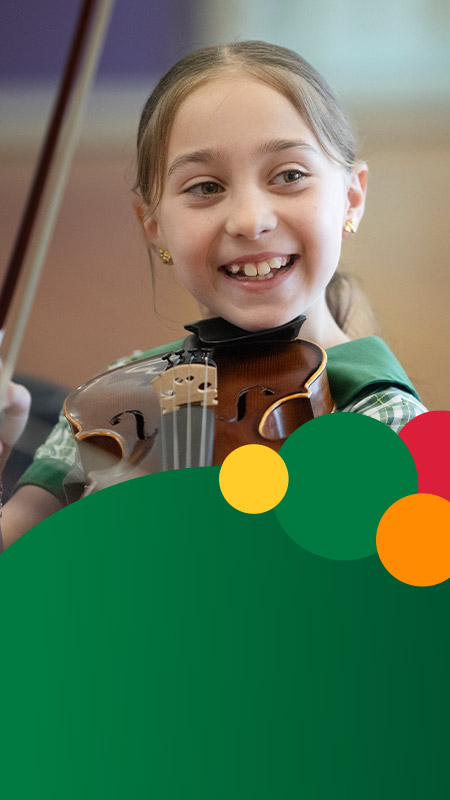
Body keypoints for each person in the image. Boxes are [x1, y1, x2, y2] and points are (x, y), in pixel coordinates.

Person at [0, 41, 427, 551]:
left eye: (289, 176)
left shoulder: (384, 421)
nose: (250, 220)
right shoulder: (116, 403)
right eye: (205, 187)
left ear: (351, 199)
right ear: (153, 225)